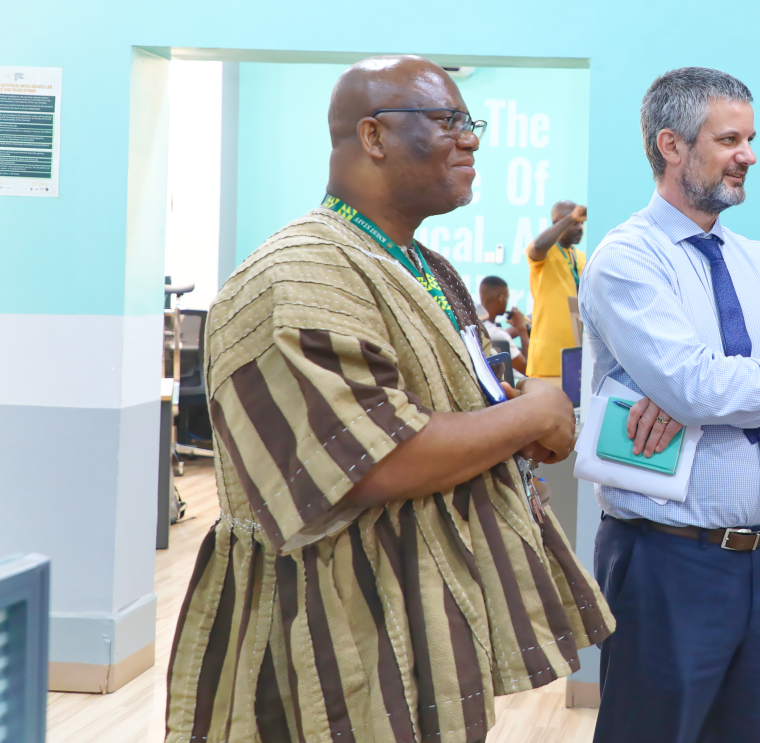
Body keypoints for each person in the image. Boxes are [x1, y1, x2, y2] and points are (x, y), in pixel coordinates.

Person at [165, 56, 612, 743]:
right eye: (447, 122)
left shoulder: (423, 267)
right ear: (373, 136)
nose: (469, 140)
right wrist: (531, 412)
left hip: (420, 622)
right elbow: (373, 459)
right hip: (328, 637)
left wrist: (518, 422)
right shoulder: (298, 275)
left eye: (471, 124)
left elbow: (459, 406)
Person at [579, 67, 760, 743]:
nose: (748, 154)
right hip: (667, 558)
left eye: (749, 138)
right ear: (671, 145)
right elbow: (696, 386)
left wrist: (708, 392)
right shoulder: (627, 258)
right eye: (729, 138)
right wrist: (758, 383)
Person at [525, 200, 586, 379]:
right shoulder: (543, 252)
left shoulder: (580, 257)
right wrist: (570, 217)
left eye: (582, 223)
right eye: (574, 223)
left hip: (577, 356)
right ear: (558, 224)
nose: (580, 227)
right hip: (548, 359)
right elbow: (537, 247)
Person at [478, 274, 529, 373]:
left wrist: (515, 330)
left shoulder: (475, 325)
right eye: (507, 298)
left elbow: (493, 333)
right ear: (501, 299)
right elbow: (527, 369)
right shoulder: (500, 335)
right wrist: (522, 329)